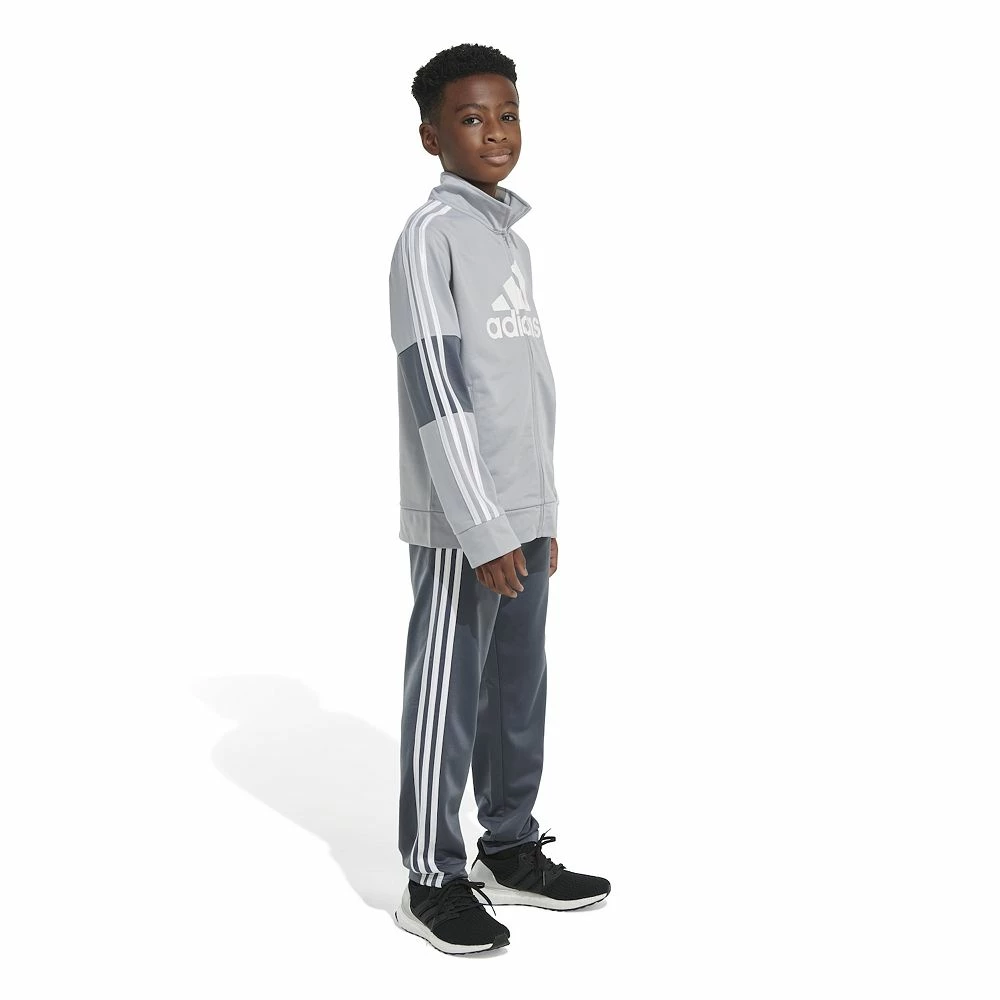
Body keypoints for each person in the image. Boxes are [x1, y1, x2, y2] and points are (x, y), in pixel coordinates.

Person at [387, 43, 610, 956]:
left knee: (519, 686)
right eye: (471, 118)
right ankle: (431, 880)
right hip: (461, 523)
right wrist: (481, 526)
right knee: (448, 694)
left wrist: (541, 512)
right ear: (431, 135)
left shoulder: (509, 240)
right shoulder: (429, 236)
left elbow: (526, 389)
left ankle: (509, 846)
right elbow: (437, 388)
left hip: (522, 513)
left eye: (507, 114)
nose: (494, 133)